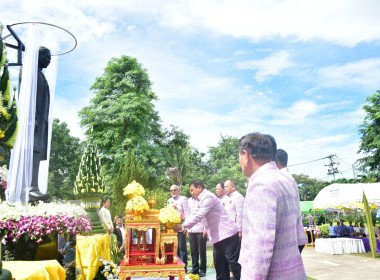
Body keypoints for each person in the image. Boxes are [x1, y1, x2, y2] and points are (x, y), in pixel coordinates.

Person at [238, 132, 306, 279]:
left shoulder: (261, 184)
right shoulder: (286, 180)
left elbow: (260, 245)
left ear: (245, 155)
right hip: (292, 271)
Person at [175, 179, 241, 280]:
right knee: (220, 266)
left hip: (228, 235)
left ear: (199, 188)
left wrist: (183, 226)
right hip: (218, 237)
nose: (191, 193)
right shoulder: (201, 200)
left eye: (192, 190)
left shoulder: (208, 197)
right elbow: (194, 213)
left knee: (235, 264)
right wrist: (181, 223)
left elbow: (199, 214)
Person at [29, 47, 52, 202]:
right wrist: (32, 119)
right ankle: (31, 186)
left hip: (41, 119)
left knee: (37, 151)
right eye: (46, 56)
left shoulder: (41, 76)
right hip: (34, 119)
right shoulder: (30, 74)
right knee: (32, 150)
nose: (49, 60)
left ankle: (35, 185)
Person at [276, 148, 308, 253]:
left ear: (276, 162)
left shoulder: (281, 178)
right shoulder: (288, 177)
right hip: (294, 233)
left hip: (289, 236)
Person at [168, 184, 189, 272]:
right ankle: (176, 266)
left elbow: (187, 213)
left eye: (174, 190)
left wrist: (186, 226)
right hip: (172, 227)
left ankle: (183, 267)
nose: (173, 192)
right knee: (174, 247)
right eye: (171, 190)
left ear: (179, 191)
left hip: (180, 226)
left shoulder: (183, 199)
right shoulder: (169, 200)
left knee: (182, 247)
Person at [188, 192, 207, 277]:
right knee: (193, 251)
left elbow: (206, 215)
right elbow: (188, 215)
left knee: (202, 251)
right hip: (192, 229)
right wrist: (187, 228)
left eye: (193, 190)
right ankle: (195, 268)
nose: (192, 192)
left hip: (201, 229)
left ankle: (202, 270)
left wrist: (206, 228)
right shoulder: (188, 201)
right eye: (191, 190)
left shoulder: (203, 201)